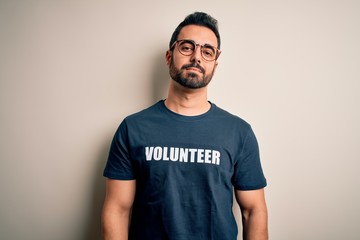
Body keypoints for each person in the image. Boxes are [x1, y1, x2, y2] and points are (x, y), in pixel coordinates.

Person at [101, 12, 268, 240]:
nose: (196, 57)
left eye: (207, 52)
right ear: (169, 57)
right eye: (187, 47)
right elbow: (117, 211)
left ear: (214, 66)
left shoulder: (239, 133)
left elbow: (253, 211)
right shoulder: (133, 129)